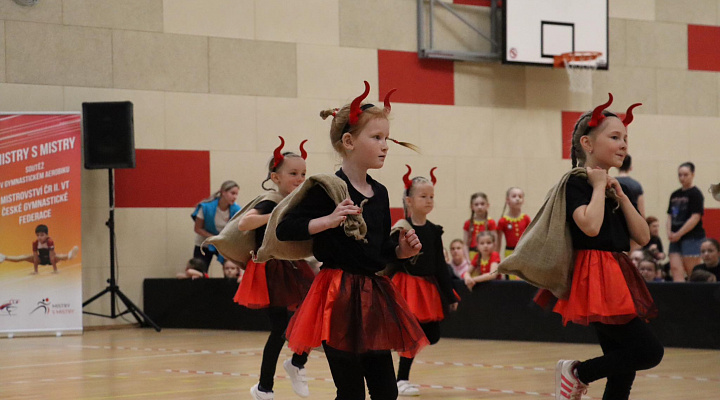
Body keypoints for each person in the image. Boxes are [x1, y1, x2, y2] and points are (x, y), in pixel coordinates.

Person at [276, 82, 428, 400]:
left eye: (386, 138)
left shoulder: (382, 193)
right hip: (337, 297)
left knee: (386, 391)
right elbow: (286, 228)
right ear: (348, 141)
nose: (385, 145)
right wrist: (328, 220)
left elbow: (380, 251)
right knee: (351, 393)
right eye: (376, 138)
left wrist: (401, 249)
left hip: (374, 296)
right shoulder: (328, 188)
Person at [552, 95, 663, 400]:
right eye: (615, 137)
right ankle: (578, 373)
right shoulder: (575, 183)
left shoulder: (621, 188)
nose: (624, 144)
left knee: (623, 368)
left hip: (617, 273)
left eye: (626, 138)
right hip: (594, 276)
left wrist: (621, 195)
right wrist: (599, 186)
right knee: (648, 351)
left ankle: (580, 375)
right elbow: (589, 225)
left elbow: (642, 237)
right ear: (587, 144)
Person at [233, 137, 316, 400]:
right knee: (280, 328)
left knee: (314, 315)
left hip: (294, 267)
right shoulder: (271, 200)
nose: (299, 178)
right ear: (275, 177)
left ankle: (296, 364)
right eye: (293, 173)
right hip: (271, 269)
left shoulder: (299, 202)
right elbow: (245, 223)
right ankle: (264, 387)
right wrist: (277, 214)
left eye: (303, 173)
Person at [389, 166, 459, 396]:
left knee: (432, 335)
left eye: (431, 197)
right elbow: (389, 260)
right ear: (409, 201)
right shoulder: (401, 229)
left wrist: (450, 295)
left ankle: (399, 373)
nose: (429, 200)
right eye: (423, 196)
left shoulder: (433, 231)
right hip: (405, 287)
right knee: (411, 334)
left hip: (426, 289)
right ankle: (401, 379)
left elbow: (440, 266)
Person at [667, 162, 706, 281]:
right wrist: (669, 232)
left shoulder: (696, 194)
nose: (682, 178)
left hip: (692, 237)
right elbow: (669, 215)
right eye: (680, 175)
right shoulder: (675, 194)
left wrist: (679, 234)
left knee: (692, 272)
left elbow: (695, 218)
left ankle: (694, 298)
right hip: (675, 238)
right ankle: (680, 297)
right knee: (675, 268)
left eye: (685, 175)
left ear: (692, 175)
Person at [191, 180, 241, 273]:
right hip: (204, 243)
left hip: (223, 244)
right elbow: (197, 228)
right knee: (198, 271)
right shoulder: (206, 207)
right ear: (223, 192)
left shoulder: (237, 209)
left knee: (231, 270)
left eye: (236, 194)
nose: (235, 197)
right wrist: (214, 237)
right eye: (232, 193)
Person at [0, 224, 79, 274]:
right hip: (40, 259)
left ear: (47, 235)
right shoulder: (35, 243)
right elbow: (35, 258)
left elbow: (51, 257)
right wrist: (36, 271)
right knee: (25, 256)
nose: (39, 237)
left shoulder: (50, 242)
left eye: (42, 235)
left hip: (51, 259)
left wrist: (55, 270)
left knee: (58, 256)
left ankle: (69, 256)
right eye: (38, 235)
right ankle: (4, 257)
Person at [496, 187, 531, 260]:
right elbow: (498, 242)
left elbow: (530, 237)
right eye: (514, 196)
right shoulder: (502, 221)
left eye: (520, 196)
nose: (517, 199)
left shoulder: (526, 218)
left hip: (523, 251)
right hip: (509, 252)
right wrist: (496, 257)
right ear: (507, 200)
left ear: (523, 200)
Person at [462, 192, 496, 262]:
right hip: (472, 255)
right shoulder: (468, 223)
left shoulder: (491, 222)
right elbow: (465, 244)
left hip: (486, 256)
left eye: (482, 204)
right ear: (472, 206)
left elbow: (494, 243)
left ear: (487, 205)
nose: (479, 207)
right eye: (476, 204)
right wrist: (468, 260)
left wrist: (492, 258)